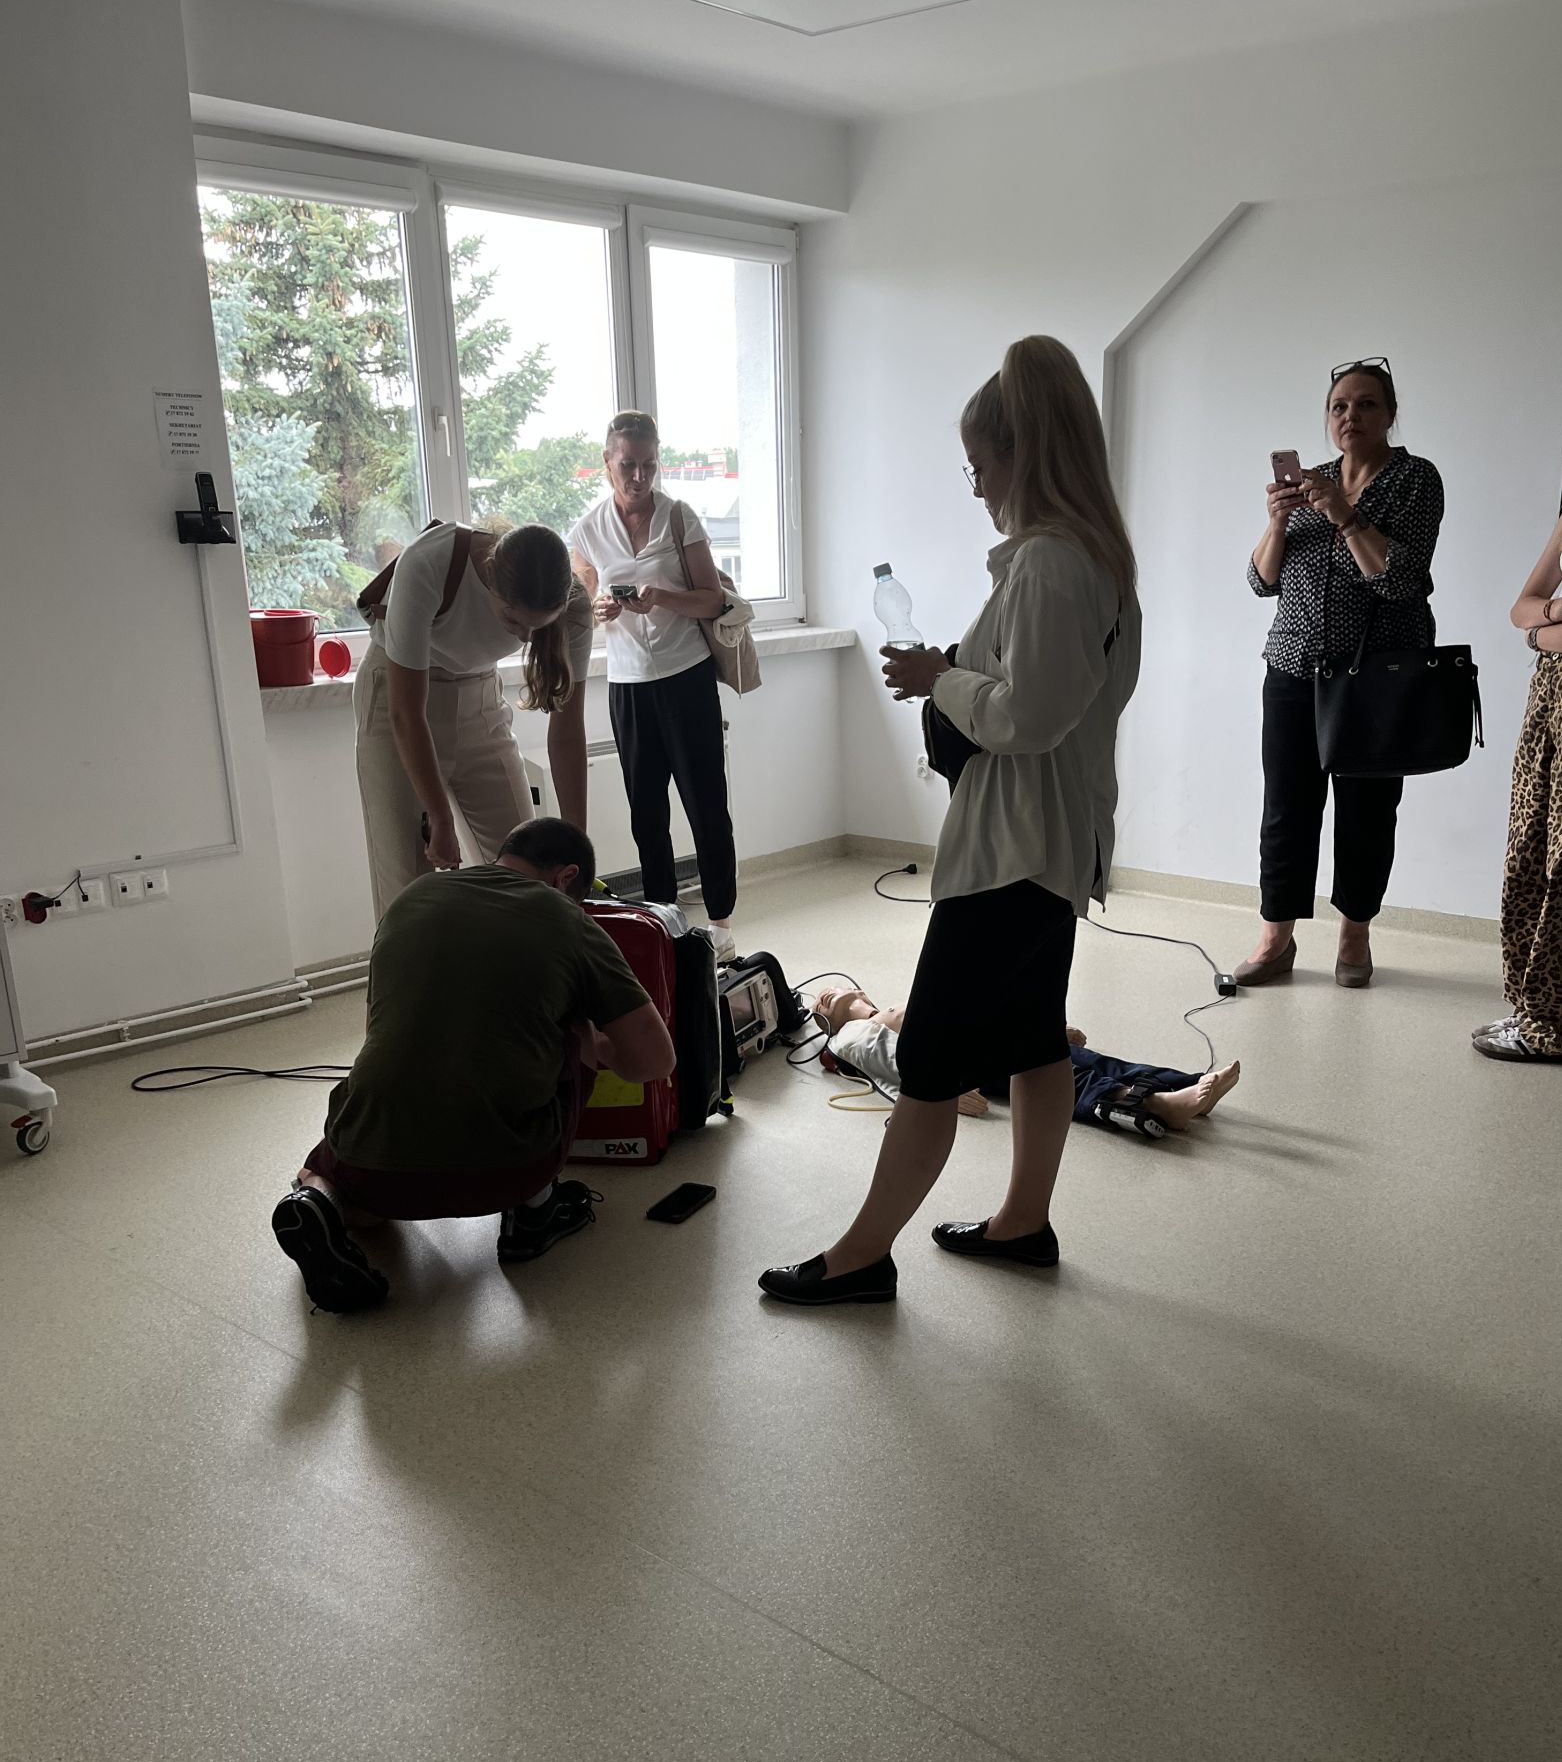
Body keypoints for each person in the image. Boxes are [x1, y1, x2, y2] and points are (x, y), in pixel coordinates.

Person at [760, 335, 1142, 1307]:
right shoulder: (1086, 557)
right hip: (1050, 846)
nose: (977, 488)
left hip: (1013, 853)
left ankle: (861, 1258)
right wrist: (957, 677)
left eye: (979, 466)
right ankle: (1023, 1222)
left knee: (929, 1059)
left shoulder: (1050, 562)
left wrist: (941, 679)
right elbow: (1042, 693)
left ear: (1024, 454)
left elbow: (1029, 716)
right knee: (1034, 1040)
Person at [271, 818, 675, 1313]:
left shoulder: (412, 897)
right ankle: (535, 1210)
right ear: (567, 877)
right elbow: (655, 1061)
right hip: (507, 1170)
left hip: (371, 1163)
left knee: (339, 1174)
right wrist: (597, 1044)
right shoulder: (566, 917)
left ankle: (317, 1202)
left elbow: (382, 1024)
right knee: (574, 1027)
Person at [1239, 360, 1445, 989]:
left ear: (1389, 415)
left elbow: (1402, 579)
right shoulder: (1312, 482)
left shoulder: (1415, 479)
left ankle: (1355, 935)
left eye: (1366, 404)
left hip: (1374, 678)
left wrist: (1345, 516)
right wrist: (1278, 521)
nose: (1350, 416)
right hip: (1293, 668)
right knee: (1286, 808)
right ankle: (1275, 938)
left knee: (1367, 811)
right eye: (1339, 406)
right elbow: (1261, 581)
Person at [1474, 353, 1562, 1064]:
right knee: (1529, 845)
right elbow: (1521, 607)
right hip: (1552, 692)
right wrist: (1558, 614)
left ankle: (1560, 1029)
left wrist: (1546, 631)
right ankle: (1531, 1005)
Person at [356, 518, 594, 921]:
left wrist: (576, 849)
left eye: (539, 627)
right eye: (513, 621)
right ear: (490, 577)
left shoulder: (574, 606)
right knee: (410, 890)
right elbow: (407, 713)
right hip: (398, 703)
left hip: (479, 693)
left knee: (529, 872)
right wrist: (439, 816)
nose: (525, 638)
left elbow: (567, 733)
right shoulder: (429, 562)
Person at [570, 412, 739, 963]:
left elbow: (712, 600)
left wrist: (660, 596)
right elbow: (586, 603)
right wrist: (601, 608)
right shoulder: (587, 530)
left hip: (687, 676)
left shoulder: (678, 517)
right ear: (608, 463)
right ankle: (664, 924)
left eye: (648, 464)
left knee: (706, 805)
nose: (639, 476)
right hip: (629, 686)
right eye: (628, 465)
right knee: (647, 814)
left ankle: (721, 923)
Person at [815, 985, 1241, 1134]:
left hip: (991, 1036)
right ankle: (1158, 1105)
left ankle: (1184, 1083)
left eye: (826, 990)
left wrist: (1044, 1028)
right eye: (820, 1005)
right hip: (967, 1060)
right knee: (1061, 1077)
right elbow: (887, 1060)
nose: (823, 996)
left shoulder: (887, 1007)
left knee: (1092, 1059)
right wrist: (939, 1091)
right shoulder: (848, 1036)